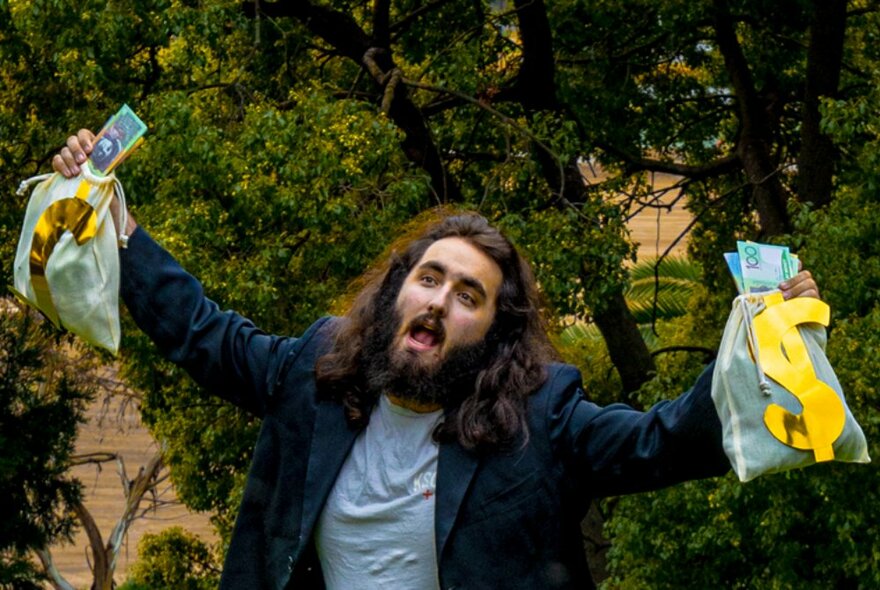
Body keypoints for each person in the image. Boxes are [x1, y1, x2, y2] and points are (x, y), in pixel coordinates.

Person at [55, 129, 819, 590]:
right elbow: (202, 332)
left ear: (492, 332)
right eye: (428, 278)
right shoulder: (317, 373)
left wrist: (757, 344)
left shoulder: (543, 419)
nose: (438, 301)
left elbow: (662, 440)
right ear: (396, 295)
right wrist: (115, 226)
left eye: (467, 295)